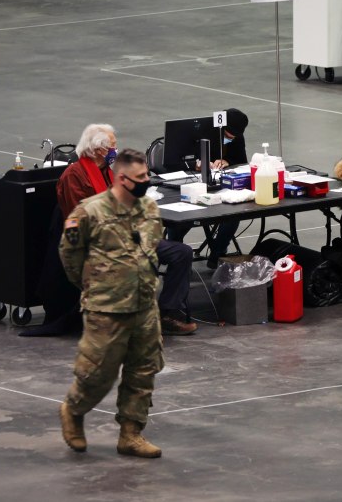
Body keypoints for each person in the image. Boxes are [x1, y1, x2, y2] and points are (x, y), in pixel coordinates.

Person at [58, 148, 165, 458]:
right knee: (97, 374)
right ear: (121, 178)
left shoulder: (149, 208)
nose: (146, 181)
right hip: (107, 309)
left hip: (145, 304)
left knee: (143, 372)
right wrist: (93, 286)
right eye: (141, 177)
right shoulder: (89, 212)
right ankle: (73, 411)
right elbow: (70, 255)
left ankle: (131, 434)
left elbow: (150, 248)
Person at [55, 123, 197, 335]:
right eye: (112, 146)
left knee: (181, 253)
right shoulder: (75, 176)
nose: (116, 150)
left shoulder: (105, 172)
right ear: (98, 149)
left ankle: (168, 313)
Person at [166, 108, 249, 268]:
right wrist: (196, 164)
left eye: (233, 138)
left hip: (219, 184)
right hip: (191, 183)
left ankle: (218, 254)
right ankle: (173, 251)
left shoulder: (236, 135)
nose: (230, 140)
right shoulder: (199, 132)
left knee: (234, 214)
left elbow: (241, 160)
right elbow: (173, 161)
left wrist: (227, 161)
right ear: (221, 129)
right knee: (184, 214)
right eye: (227, 137)